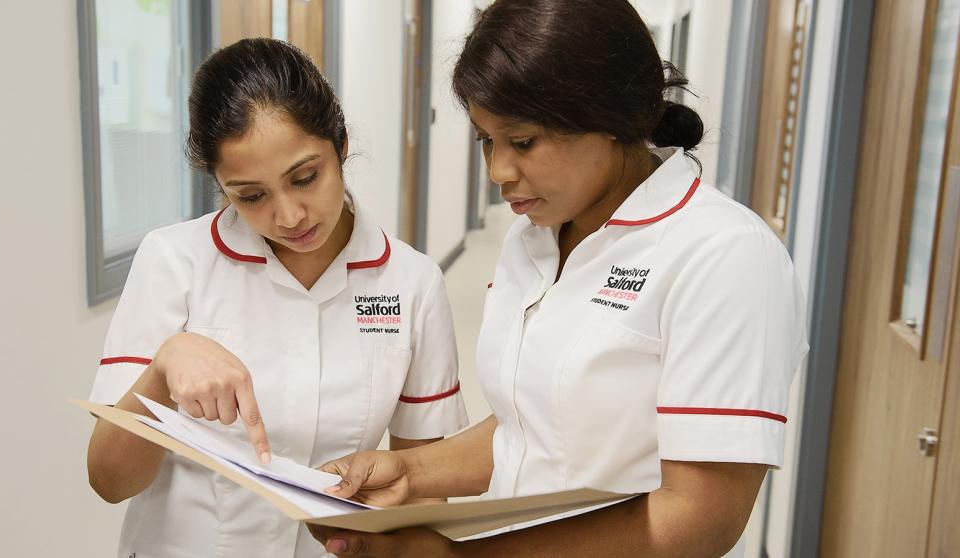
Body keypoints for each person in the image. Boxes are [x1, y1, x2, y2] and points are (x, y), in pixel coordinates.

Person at [310, 1, 808, 556]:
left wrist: (459, 555)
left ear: (611, 119)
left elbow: (698, 518)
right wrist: (408, 470)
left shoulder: (722, 254)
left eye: (522, 142)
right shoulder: (534, 239)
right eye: (486, 140)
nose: (498, 170)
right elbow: (534, 427)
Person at [85, 38, 468, 558]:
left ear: (342, 146)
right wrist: (162, 369)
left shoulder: (413, 282)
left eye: (305, 177)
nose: (289, 216)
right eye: (251, 196)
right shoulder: (173, 261)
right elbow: (110, 482)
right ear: (221, 185)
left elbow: (425, 484)